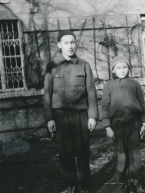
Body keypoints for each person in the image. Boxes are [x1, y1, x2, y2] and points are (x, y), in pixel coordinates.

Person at [44, 31, 98, 193]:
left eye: (72, 42)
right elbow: (47, 93)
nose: (70, 46)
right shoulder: (52, 66)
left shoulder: (84, 65)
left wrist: (92, 116)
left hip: (80, 115)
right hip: (60, 116)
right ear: (59, 45)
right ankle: (70, 185)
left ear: (76, 44)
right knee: (65, 151)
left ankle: (83, 185)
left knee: (82, 151)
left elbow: (91, 92)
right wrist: (49, 118)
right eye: (66, 43)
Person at [101, 55, 145, 193]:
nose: (122, 70)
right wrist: (107, 126)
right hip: (117, 124)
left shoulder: (134, 84)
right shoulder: (108, 86)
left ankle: (134, 180)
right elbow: (105, 106)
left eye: (124, 67)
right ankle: (121, 182)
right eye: (118, 67)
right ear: (113, 70)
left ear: (129, 69)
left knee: (135, 154)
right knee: (121, 154)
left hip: (134, 122)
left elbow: (142, 103)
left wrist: (144, 123)